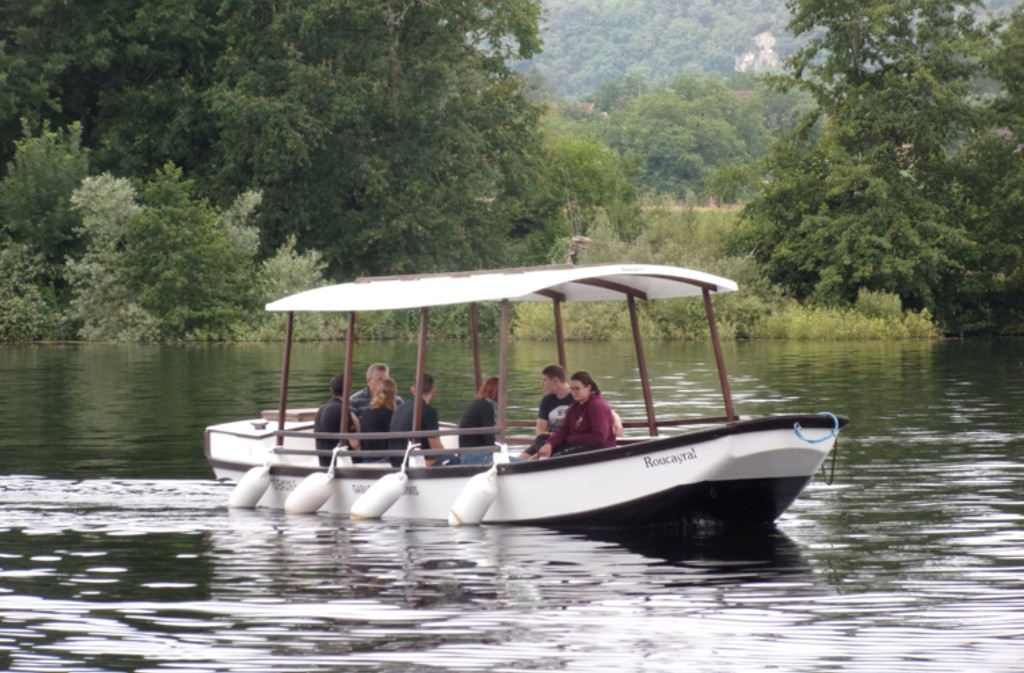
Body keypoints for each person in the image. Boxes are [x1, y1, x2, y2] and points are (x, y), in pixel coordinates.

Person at [533, 370, 616, 460]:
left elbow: (599, 437)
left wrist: (571, 439)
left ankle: (544, 462)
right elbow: (563, 430)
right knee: (541, 439)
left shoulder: (596, 405)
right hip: (577, 445)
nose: (574, 392)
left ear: (588, 387)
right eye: (572, 389)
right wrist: (550, 443)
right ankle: (542, 460)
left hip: (599, 449)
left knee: (556, 455)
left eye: (577, 388)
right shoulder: (574, 408)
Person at [387, 373, 444, 467]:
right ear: (433, 391)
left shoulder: (400, 408)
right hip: (414, 462)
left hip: (395, 461)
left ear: (413, 390)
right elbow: (436, 448)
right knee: (453, 459)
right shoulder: (429, 411)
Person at [518, 364, 574, 460]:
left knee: (536, 459)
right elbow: (540, 430)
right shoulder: (547, 400)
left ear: (555, 381)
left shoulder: (575, 396)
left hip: (567, 440)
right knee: (520, 459)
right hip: (548, 440)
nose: (542, 384)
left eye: (544, 380)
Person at [313, 373, 361, 467]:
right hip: (340, 464)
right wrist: (356, 423)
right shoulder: (343, 411)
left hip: (324, 463)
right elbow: (355, 444)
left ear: (331, 390)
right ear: (349, 389)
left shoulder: (322, 409)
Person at [457, 376, 500, 465]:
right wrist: (499, 453)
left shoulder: (480, 404)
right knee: (519, 463)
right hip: (476, 456)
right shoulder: (486, 406)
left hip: (469, 454)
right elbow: (489, 435)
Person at [357, 377, 398, 462]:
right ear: (393, 394)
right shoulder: (389, 413)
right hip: (382, 458)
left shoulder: (367, 411)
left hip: (366, 457)